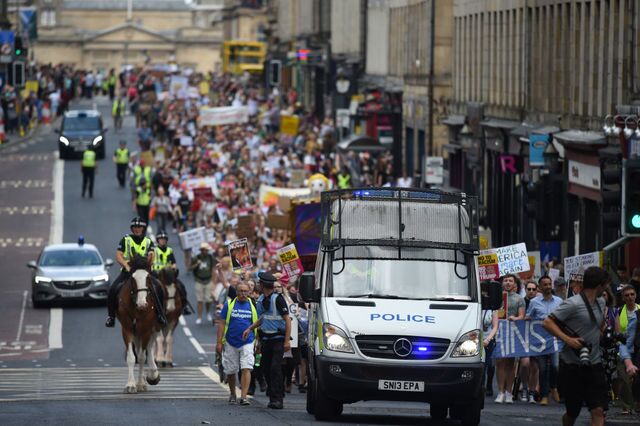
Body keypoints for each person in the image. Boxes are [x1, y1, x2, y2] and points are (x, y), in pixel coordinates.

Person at [543, 266, 611, 426]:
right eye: (605, 285)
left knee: (598, 411)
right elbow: (547, 322)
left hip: (594, 364)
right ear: (599, 285)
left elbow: (598, 324)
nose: (607, 288)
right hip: (572, 365)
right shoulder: (573, 303)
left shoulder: (602, 302)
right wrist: (568, 339)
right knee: (572, 413)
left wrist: (603, 332)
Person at [105, 217, 167, 328]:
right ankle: (111, 317)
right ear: (132, 229)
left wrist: (148, 264)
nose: (137, 229)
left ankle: (160, 315)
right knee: (113, 289)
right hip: (128, 272)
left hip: (144, 272)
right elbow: (119, 255)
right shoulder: (125, 240)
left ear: (143, 228)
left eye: (139, 227)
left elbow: (152, 256)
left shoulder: (148, 241)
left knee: (158, 288)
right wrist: (127, 266)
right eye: (135, 227)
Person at [243, 272, 291, 409]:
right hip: (266, 339)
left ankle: (277, 399)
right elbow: (262, 319)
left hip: (278, 339)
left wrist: (287, 341)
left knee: (275, 368)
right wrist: (250, 328)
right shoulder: (261, 299)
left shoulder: (278, 299)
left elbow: (288, 319)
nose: (258, 285)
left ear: (263, 284)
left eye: (259, 283)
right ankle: (275, 394)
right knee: (265, 368)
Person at [217, 281, 258, 406]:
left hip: (248, 341)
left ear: (249, 292)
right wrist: (219, 342)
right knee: (231, 370)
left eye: (246, 291)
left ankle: (244, 397)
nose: (243, 294)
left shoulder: (253, 305)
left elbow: (259, 322)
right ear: (236, 292)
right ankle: (233, 394)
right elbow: (222, 323)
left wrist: (258, 341)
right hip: (230, 341)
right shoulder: (229, 304)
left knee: (247, 367)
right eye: (241, 291)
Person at [526, 276, 563, 406]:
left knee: (555, 366)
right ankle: (544, 395)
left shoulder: (559, 301)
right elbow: (529, 317)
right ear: (540, 287)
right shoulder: (534, 302)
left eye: (549, 284)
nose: (548, 286)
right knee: (542, 368)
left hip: (554, 339)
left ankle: (553, 387)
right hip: (540, 341)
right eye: (545, 285)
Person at [494, 274, 525, 404]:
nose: (507, 282)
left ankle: (508, 392)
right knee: (500, 361)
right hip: (499, 331)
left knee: (510, 363)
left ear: (514, 284)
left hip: (513, 332)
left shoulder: (519, 299)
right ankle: (500, 392)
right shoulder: (497, 298)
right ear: (502, 283)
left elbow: (522, 316)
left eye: (510, 281)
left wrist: (515, 318)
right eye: (505, 280)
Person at [151, 230, 192, 315]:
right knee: (152, 289)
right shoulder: (154, 250)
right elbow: (150, 262)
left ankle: (184, 306)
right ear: (157, 240)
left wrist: (174, 267)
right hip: (157, 274)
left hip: (167, 274)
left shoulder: (169, 250)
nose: (163, 241)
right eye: (161, 239)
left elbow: (173, 263)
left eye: (164, 239)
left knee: (181, 286)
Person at [616, 285, 639, 414]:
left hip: (637, 350)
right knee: (624, 378)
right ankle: (626, 405)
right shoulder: (619, 312)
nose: (630, 297)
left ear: (635, 295)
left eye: (632, 294)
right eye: (627, 295)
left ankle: (636, 403)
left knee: (636, 380)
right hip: (623, 348)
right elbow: (618, 332)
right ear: (623, 298)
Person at [191, 242, 214, 325]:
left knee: (208, 299)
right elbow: (190, 268)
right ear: (201, 250)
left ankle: (208, 312)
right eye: (204, 250)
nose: (205, 251)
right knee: (200, 300)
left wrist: (213, 280)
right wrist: (197, 264)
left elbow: (213, 268)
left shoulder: (211, 258)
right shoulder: (196, 258)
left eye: (206, 250)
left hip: (208, 280)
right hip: (199, 280)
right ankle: (199, 316)